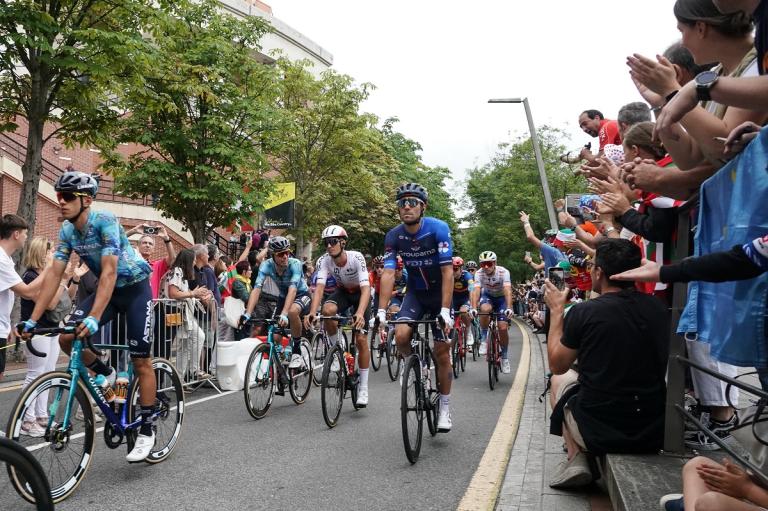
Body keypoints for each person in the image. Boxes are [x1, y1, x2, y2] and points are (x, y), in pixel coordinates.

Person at [17, 172, 158, 462]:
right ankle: (105, 373)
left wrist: (93, 317)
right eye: (59, 196)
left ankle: (147, 427)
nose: (61, 202)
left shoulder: (104, 221)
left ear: (87, 200)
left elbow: (108, 273)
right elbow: (54, 277)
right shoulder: (68, 232)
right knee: (68, 337)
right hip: (107, 292)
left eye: (67, 197)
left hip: (133, 290)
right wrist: (34, 319)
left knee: (140, 359)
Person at [545, 239, 670, 489]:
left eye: (592, 266)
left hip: (601, 430)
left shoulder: (585, 312)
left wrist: (557, 312)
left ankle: (576, 457)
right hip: (654, 428)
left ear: (599, 272)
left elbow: (557, 364)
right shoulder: (659, 308)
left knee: (559, 379)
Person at [376, 182, 455, 432]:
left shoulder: (438, 229)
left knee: (442, 351)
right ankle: (413, 367)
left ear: (423, 207)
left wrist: (444, 310)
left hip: (440, 293)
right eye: (402, 203)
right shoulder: (394, 236)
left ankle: (444, 407)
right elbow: (388, 274)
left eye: (412, 202)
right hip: (416, 294)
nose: (407, 207)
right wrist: (381, 309)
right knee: (400, 335)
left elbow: (447, 271)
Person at [304, 225, 372, 407]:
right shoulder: (324, 260)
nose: (329, 245)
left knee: (361, 340)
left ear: (343, 243)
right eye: (327, 242)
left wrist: (359, 313)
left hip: (361, 294)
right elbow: (319, 288)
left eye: (333, 241)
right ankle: (337, 348)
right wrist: (312, 311)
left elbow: (366, 288)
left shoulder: (356, 258)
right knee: (327, 312)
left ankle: (364, 387)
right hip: (343, 293)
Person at [18, 237, 70, 437]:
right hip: (36, 330)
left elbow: (63, 302)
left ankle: (41, 415)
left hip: (52, 329)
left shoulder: (47, 275)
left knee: (48, 374)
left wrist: (65, 280)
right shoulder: (30, 277)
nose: (54, 254)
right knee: (35, 374)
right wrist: (63, 282)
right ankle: (25, 419)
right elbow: (48, 304)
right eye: (51, 251)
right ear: (41, 253)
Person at [241, 236, 311, 370]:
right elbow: (256, 289)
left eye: (287, 252)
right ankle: (279, 368)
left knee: (292, 312)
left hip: (301, 294)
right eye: (281, 254)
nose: (285, 256)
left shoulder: (294, 264)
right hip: (284, 297)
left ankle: (296, 351)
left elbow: (293, 289)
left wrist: (284, 314)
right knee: (275, 335)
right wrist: (248, 313)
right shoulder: (266, 265)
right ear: (272, 255)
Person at [471, 251, 513, 373]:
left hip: (501, 299)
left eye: (488, 264)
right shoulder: (478, 273)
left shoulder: (503, 272)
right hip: (488, 296)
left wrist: (509, 307)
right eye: (483, 264)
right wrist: (473, 307)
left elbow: (507, 290)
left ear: (494, 263)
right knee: (484, 309)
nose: (486, 267)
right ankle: (484, 338)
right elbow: (476, 291)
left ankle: (504, 357)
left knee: (503, 327)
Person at [124, 224, 176, 299]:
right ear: (138, 246)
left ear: (153, 249)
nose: (147, 245)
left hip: (150, 306)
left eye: (150, 244)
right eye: (144, 243)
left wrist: (166, 238)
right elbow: (113, 244)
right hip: (130, 303)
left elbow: (173, 259)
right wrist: (133, 231)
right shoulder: (129, 261)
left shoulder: (156, 265)